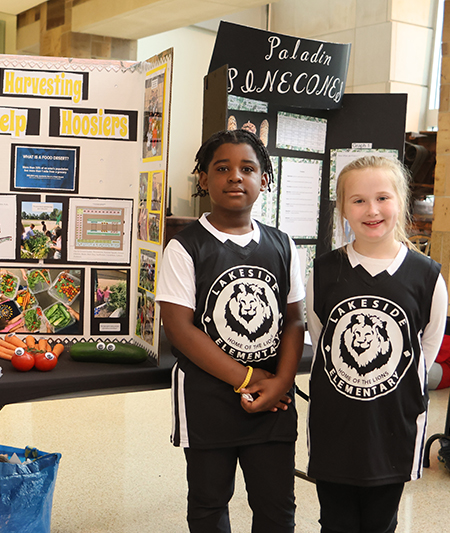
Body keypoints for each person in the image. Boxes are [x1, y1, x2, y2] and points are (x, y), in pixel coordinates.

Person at [156, 129, 305, 533]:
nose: (235, 177)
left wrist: (280, 383)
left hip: (273, 401)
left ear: (264, 180)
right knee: (208, 503)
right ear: (203, 179)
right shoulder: (184, 248)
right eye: (222, 168)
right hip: (208, 401)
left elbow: (294, 319)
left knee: (276, 507)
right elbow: (180, 330)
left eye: (247, 168)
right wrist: (249, 378)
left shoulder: (283, 245)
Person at [306, 155, 447, 533]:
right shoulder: (323, 271)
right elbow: (323, 342)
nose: (372, 210)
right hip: (336, 426)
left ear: (400, 201)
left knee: (380, 523)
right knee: (335, 522)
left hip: (393, 427)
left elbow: (424, 351)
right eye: (359, 200)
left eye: (383, 197)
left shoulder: (427, 276)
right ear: (343, 210)